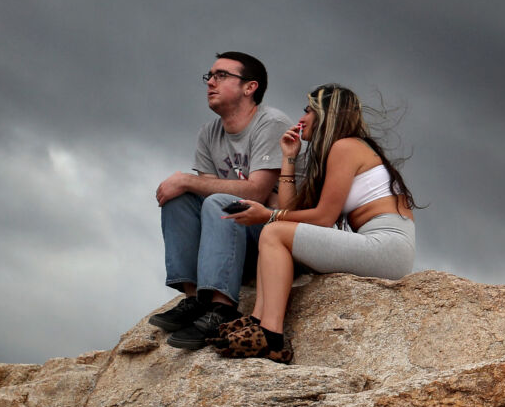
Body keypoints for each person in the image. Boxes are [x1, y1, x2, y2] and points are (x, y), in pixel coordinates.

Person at [217, 83, 418, 363]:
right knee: (275, 231)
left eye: (309, 111)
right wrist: (289, 158)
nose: (301, 119)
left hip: (386, 246)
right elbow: (292, 213)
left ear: (327, 116)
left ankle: (269, 334)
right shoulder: (343, 150)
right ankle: (257, 322)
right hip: (385, 247)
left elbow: (321, 219)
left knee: (273, 231)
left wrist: (268, 215)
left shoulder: (346, 147)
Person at [148, 52, 291, 349]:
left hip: (272, 238)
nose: (210, 82)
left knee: (215, 200)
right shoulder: (209, 133)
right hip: (228, 241)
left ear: (249, 87)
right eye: (209, 76)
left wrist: (186, 178)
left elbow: (258, 193)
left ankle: (222, 308)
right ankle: (194, 299)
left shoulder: (271, 123)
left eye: (221, 76)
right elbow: (206, 190)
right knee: (180, 199)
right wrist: (187, 185)